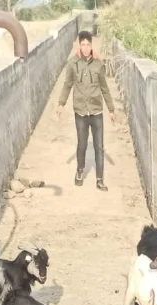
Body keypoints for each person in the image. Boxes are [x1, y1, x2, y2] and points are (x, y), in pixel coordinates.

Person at [56, 31, 116, 191]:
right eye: (82, 44)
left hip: (96, 111)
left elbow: (104, 88)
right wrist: (61, 104)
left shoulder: (98, 65)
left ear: (91, 45)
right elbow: (67, 85)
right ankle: (80, 171)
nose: (85, 47)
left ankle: (99, 179)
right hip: (81, 112)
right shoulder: (72, 64)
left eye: (88, 44)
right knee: (82, 144)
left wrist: (111, 109)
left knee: (99, 146)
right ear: (79, 45)